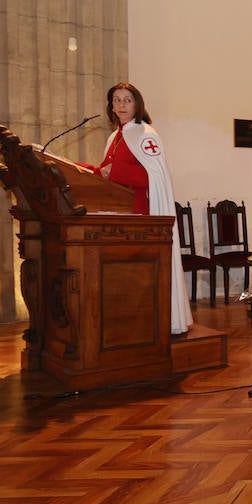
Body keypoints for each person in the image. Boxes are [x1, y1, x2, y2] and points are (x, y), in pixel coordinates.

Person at [91, 83, 193, 335]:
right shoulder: (115, 136)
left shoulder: (145, 134)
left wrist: (113, 172)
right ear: (110, 106)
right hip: (119, 214)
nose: (121, 105)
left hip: (141, 215)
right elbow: (106, 173)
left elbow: (155, 177)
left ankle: (150, 320)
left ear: (137, 104)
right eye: (116, 100)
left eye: (127, 100)